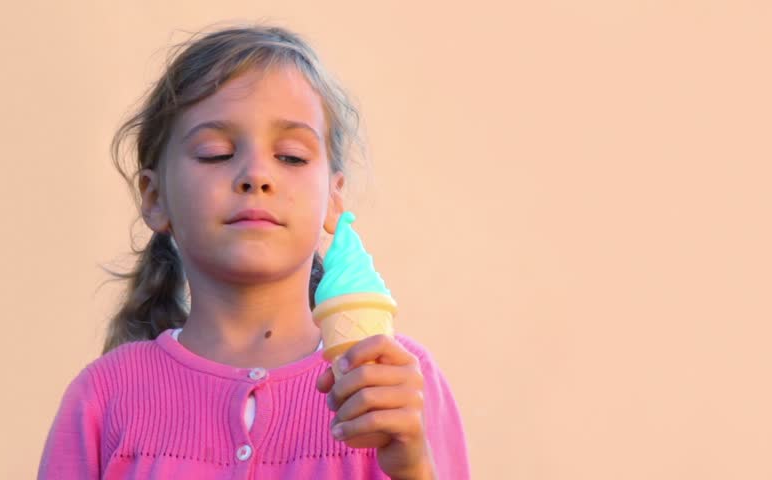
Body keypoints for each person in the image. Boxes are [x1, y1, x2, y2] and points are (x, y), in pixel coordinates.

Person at [37, 22, 470, 480]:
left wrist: (414, 467)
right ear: (154, 197)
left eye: (291, 156)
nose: (256, 174)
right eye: (215, 152)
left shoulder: (396, 382)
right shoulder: (103, 397)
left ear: (334, 197)